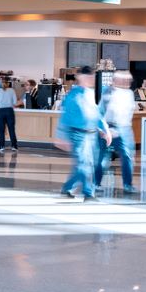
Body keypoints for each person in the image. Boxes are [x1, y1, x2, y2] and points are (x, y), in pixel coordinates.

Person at [56, 66, 101, 201]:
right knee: (84, 164)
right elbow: (65, 117)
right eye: (91, 77)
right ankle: (88, 193)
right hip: (77, 134)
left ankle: (67, 188)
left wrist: (104, 129)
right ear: (83, 78)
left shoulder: (90, 93)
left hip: (91, 134)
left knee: (87, 165)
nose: (93, 80)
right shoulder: (73, 95)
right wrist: (61, 137)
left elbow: (97, 114)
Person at [95, 70, 137, 195]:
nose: (127, 82)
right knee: (102, 158)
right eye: (124, 80)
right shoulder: (108, 91)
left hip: (124, 129)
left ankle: (128, 185)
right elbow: (101, 111)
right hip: (109, 127)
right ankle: (96, 183)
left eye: (128, 81)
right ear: (116, 81)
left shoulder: (129, 93)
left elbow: (128, 112)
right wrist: (104, 129)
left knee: (127, 157)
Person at [0, 75, 20, 152]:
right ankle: (14, 146)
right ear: (8, 83)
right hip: (9, 111)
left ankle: (1, 146)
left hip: (1, 111)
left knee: (1, 130)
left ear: (1, 83)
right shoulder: (12, 90)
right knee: (11, 129)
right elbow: (15, 102)